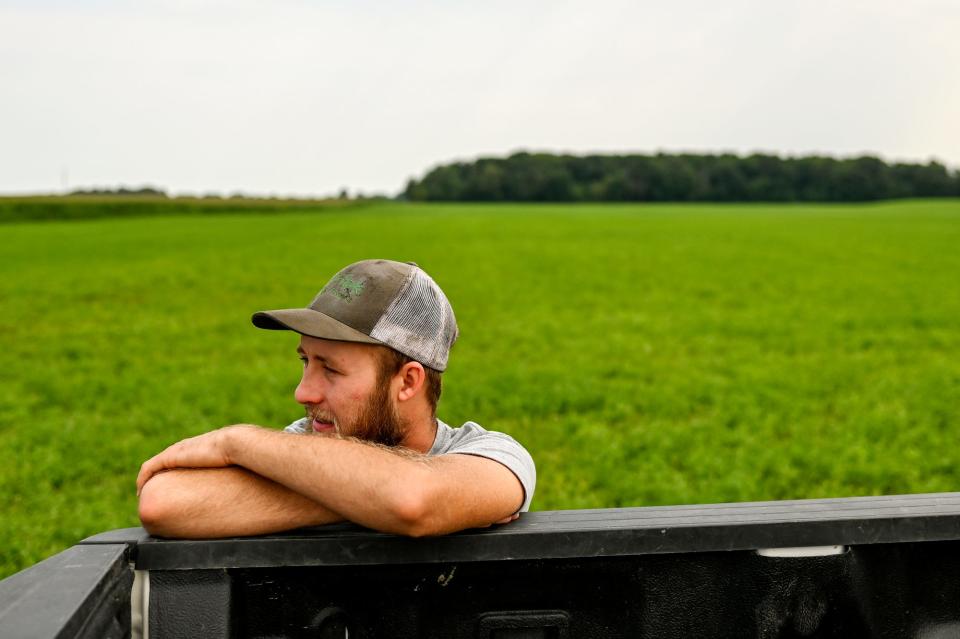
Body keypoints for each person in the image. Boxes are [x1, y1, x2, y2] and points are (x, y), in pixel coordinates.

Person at [136, 259, 536, 538]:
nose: (303, 393)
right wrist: (379, 499)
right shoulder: (305, 444)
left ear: (408, 382)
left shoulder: (490, 452)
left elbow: (413, 501)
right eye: (305, 362)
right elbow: (163, 503)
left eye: (331, 369)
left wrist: (236, 442)